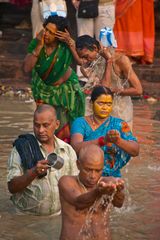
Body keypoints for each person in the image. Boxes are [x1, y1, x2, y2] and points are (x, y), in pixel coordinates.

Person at [7, 104, 78, 216]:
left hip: (57, 216)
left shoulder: (67, 150)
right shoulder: (22, 148)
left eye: (46, 125)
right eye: (37, 125)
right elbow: (11, 187)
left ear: (56, 124)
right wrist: (33, 172)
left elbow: (76, 185)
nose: (41, 130)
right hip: (26, 218)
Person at [24, 15, 85, 142]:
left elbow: (80, 61)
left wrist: (70, 43)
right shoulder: (37, 43)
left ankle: (68, 155)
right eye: (46, 29)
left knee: (66, 128)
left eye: (51, 32)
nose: (46, 34)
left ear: (59, 35)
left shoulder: (65, 45)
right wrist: (38, 48)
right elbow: (27, 68)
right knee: (45, 124)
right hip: (44, 91)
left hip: (67, 92)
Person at [75, 34, 143, 129]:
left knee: (120, 141)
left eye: (86, 56)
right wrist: (108, 61)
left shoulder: (121, 60)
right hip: (98, 111)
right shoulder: (87, 66)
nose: (85, 60)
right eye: (82, 58)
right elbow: (104, 88)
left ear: (95, 48)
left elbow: (138, 90)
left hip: (119, 110)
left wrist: (116, 90)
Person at [58, 144, 125, 240]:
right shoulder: (66, 182)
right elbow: (79, 203)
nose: (93, 176)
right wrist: (99, 191)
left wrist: (117, 190)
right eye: (88, 170)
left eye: (98, 171)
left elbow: (119, 204)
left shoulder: (107, 183)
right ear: (78, 164)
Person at [71, 86, 139, 177]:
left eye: (109, 104)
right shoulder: (80, 123)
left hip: (112, 177)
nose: (104, 107)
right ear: (91, 103)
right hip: (86, 176)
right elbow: (75, 148)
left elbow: (135, 151)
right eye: (101, 103)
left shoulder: (119, 124)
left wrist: (118, 141)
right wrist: (103, 140)